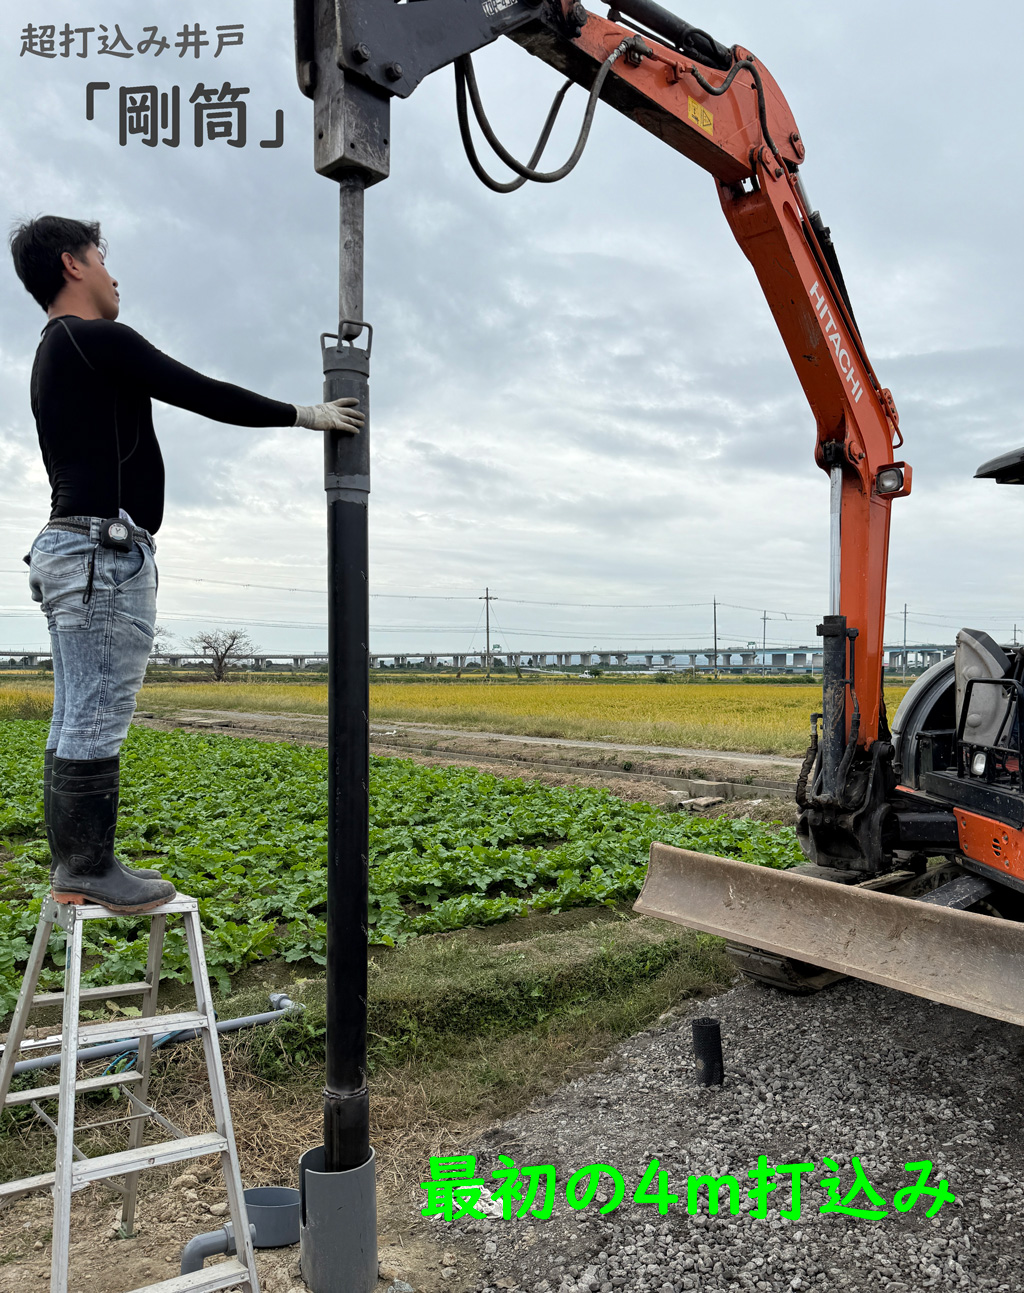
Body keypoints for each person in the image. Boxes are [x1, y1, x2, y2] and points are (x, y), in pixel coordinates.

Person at [8, 214, 363, 915]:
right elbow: (200, 389)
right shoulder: (93, 337)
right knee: (96, 713)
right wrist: (305, 415)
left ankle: (79, 861)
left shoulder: (56, 351)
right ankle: (86, 865)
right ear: (72, 265)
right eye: (103, 259)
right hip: (101, 553)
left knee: (77, 712)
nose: (115, 275)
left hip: (75, 549)